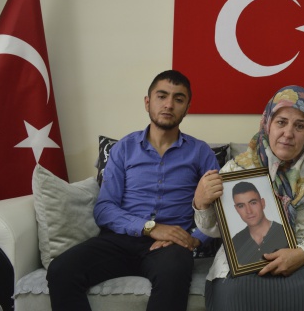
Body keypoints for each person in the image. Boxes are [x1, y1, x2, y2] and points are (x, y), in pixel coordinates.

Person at [46, 70, 220, 311]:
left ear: (187, 108)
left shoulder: (201, 152)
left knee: (174, 271)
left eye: (178, 99)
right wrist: (151, 228)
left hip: (170, 247)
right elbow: (104, 209)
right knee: (61, 269)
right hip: (120, 240)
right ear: (147, 102)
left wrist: (193, 239)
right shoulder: (124, 148)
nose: (169, 105)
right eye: (162, 96)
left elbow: (219, 210)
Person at [194, 85, 304, 311]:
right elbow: (217, 230)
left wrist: (302, 254)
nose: (288, 133)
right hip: (245, 256)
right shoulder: (238, 168)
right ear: (268, 123)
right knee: (232, 292)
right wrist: (201, 203)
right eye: (281, 122)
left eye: (299, 126)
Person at [230, 181, 288, 265]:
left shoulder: (284, 232)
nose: (249, 211)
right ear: (236, 209)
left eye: (253, 203)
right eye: (241, 206)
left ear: (262, 203)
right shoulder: (235, 242)